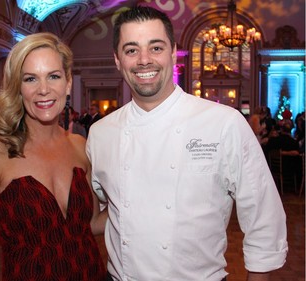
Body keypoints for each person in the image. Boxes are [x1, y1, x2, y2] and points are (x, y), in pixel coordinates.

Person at [86, 6, 288, 281]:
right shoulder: (100, 134)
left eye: (155, 48)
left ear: (172, 52)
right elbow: (100, 210)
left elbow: (264, 215)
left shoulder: (224, 123)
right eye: (131, 50)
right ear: (118, 60)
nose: (144, 60)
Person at [0, 32, 107, 281]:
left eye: (53, 76)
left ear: (68, 82)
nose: (43, 89)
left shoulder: (80, 145)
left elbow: (91, 224)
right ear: (18, 87)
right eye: (30, 79)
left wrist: (139, 199)